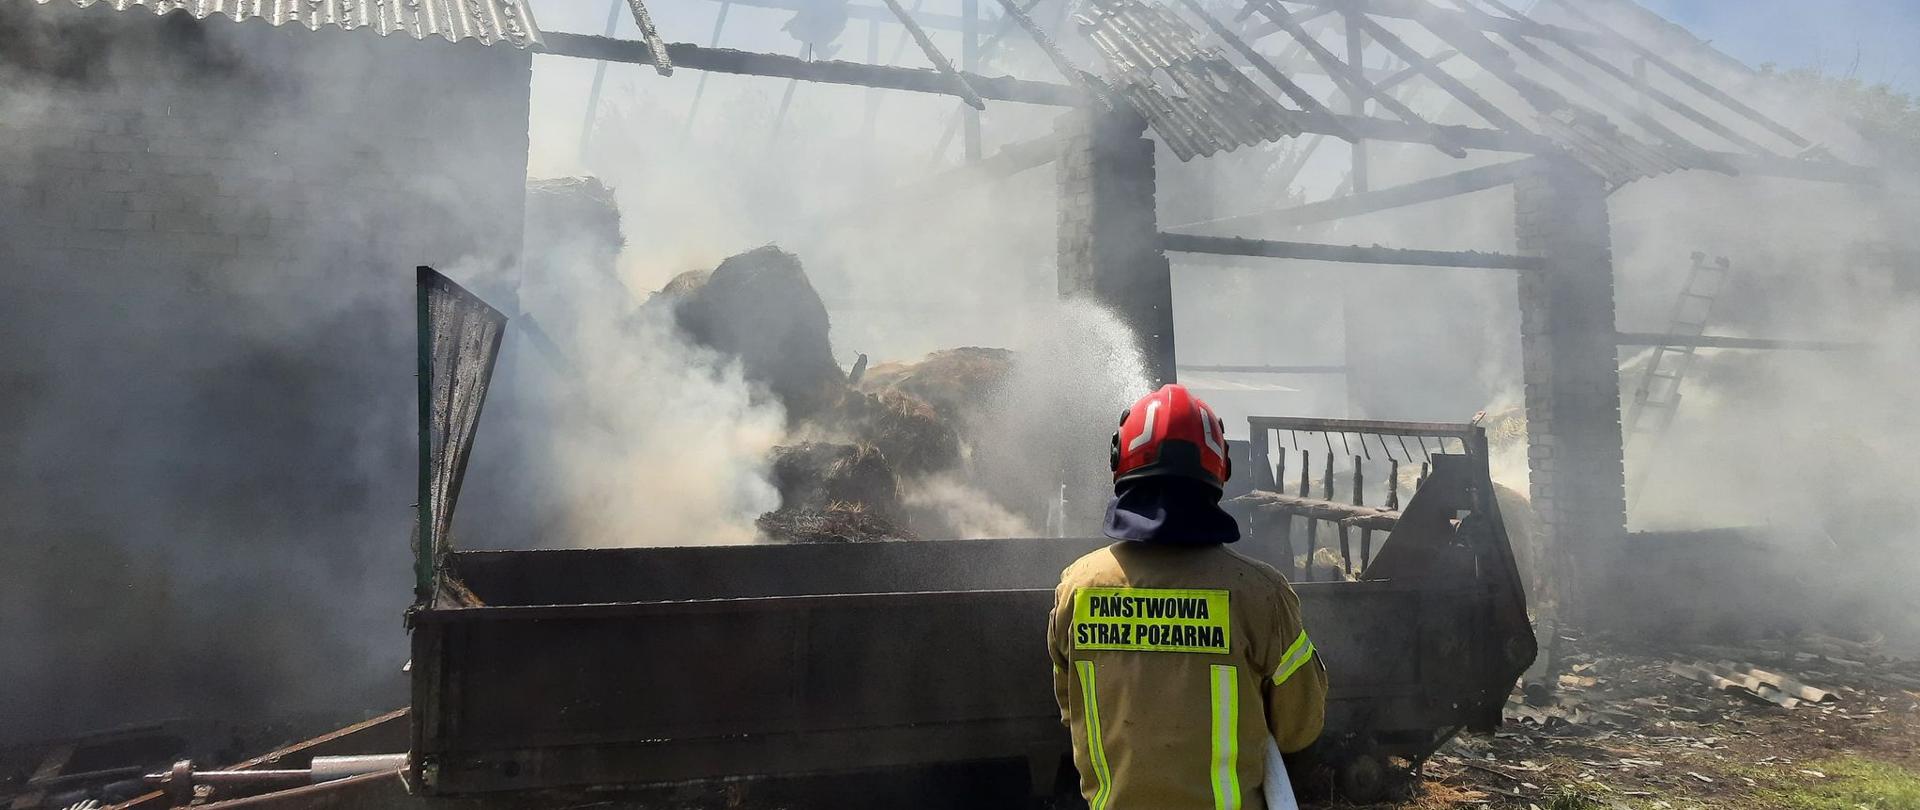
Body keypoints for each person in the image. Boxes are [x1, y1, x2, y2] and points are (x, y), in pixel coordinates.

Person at [1047, 383, 1328, 810]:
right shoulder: (1260, 593)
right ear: (1220, 470)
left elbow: (1074, 714)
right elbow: (1299, 727)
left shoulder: (1077, 586)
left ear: (1118, 461)